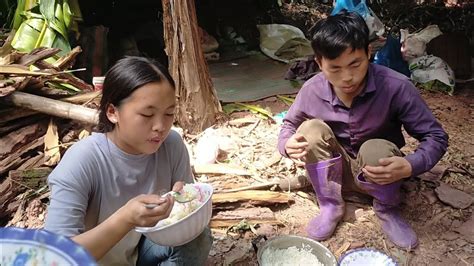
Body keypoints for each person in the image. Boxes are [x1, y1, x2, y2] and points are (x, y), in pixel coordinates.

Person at [277, 11, 448, 249]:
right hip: (335, 173)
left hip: (382, 173)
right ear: (319, 63)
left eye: (355, 64)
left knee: (375, 147)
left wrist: (410, 165)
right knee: (310, 129)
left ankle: (387, 209)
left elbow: (436, 137)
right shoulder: (312, 90)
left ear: (368, 52)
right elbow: (289, 125)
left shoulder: (396, 87)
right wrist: (286, 144)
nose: (347, 77)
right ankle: (330, 205)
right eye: (334, 68)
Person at [45, 56, 213, 265]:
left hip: (138, 254)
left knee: (198, 238)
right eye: (146, 114)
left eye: (169, 113)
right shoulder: (82, 162)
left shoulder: (171, 145)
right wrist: (126, 219)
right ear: (112, 112)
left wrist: (183, 203)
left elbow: (184, 212)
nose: (160, 126)